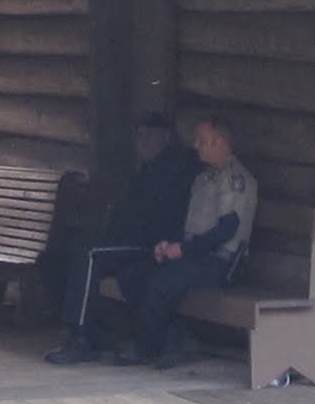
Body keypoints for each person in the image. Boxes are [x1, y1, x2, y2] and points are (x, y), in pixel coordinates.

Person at [46, 112, 199, 364]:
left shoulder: (175, 170)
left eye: (149, 135)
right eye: (139, 135)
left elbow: (155, 219)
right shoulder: (148, 169)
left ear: (166, 137)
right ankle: (89, 332)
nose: (143, 141)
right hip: (126, 240)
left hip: (148, 244)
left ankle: (80, 338)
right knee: (63, 253)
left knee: (89, 253)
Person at [114, 114, 257, 370]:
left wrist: (183, 250)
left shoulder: (235, 179)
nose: (195, 145)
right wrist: (168, 246)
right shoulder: (203, 178)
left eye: (202, 140)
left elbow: (226, 230)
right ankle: (175, 336)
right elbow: (192, 225)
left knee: (162, 283)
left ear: (219, 142)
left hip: (220, 262)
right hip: (195, 255)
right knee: (134, 274)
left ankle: (147, 348)